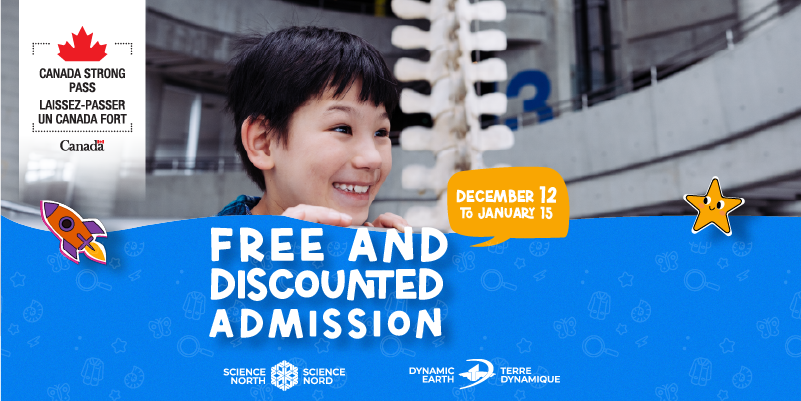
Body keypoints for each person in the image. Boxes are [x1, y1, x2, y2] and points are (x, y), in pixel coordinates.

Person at [217, 26, 409, 231]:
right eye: (342, 128)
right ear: (264, 142)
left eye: (381, 133)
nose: (374, 159)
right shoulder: (200, 254)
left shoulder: (371, 253)